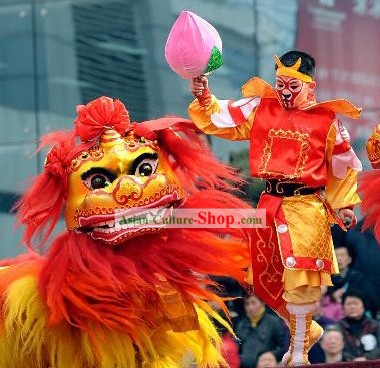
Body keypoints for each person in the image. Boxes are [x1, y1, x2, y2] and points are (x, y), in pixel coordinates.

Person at [188, 50, 362, 366]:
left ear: (309, 84)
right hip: (269, 204)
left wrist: (345, 202)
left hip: (307, 207)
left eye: (292, 86)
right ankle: (305, 331)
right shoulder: (261, 106)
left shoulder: (327, 120)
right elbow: (222, 116)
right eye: (280, 82)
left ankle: (298, 351)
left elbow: (343, 163)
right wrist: (204, 97)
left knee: (300, 276)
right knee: (263, 279)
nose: (284, 90)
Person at [236, 294, 286, 368]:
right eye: (247, 304)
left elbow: (284, 347)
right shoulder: (241, 325)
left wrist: (271, 355)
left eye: (253, 303)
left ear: (263, 303)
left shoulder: (274, 322)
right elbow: (237, 349)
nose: (250, 307)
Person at [339, 291, 380, 361]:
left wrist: (366, 358)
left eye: (356, 303)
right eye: (349, 304)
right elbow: (337, 349)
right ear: (343, 307)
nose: (352, 307)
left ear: (363, 306)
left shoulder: (375, 325)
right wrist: (352, 360)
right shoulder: (338, 327)